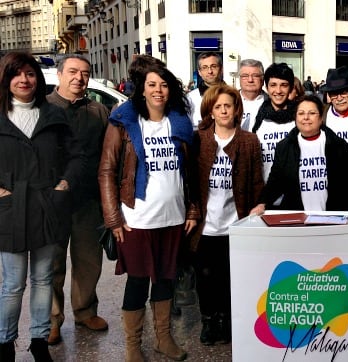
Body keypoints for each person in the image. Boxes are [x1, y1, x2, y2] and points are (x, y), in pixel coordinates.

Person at [98, 55, 199, 361]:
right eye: (151, 84)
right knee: (138, 282)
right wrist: (113, 218)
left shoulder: (179, 122)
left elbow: (190, 171)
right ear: (141, 89)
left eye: (164, 85)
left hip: (173, 217)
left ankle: (163, 339)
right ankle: (132, 346)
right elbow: (107, 170)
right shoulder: (125, 122)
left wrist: (192, 210)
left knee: (166, 279)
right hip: (136, 219)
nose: (158, 90)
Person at [0, 51, 83, 361]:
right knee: (12, 284)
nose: (24, 80)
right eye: (16, 74)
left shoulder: (53, 115)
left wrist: (64, 184)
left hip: (48, 206)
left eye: (30, 73)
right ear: (6, 79)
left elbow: (77, 157)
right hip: (11, 210)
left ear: (38, 78)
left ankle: (38, 340)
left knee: (44, 278)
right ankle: (5, 342)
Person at [190, 84, 264, 345]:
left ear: (236, 110)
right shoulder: (199, 140)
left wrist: (259, 207)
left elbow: (257, 182)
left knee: (230, 277)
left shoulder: (249, 141)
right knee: (206, 277)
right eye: (218, 106)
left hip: (236, 223)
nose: (223, 111)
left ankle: (228, 320)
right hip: (206, 225)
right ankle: (208, 320)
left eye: (228, 106)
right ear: (210, 111)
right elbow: (189, 181)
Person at [46, 54, 110, 346]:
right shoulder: (42, 108)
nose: (79, 78)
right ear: (59, 75)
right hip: (52, 202)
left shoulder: (98, 111)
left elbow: (108, 156)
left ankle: (84, 310)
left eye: (85, 73)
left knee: (88, 261)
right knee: (52, 263)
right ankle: (51, 320)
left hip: (88, 200)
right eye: (72, 71)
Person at [251, 95, 348, 214]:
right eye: (301, 113)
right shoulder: (284, 148)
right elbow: (275, 181)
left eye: (312, 113)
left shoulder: (338, 145)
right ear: (295, 118)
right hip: (298, 220)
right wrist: (262, 203)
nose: (306, 118)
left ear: (320, 118)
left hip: (331, 218)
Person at [251, 63, 297, 183]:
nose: (278, 91)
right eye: (273, 85)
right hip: (265, 194)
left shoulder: (300, 117)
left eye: (284, 85)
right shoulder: (257, 118)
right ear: (266, 87)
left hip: (294, 194)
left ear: (291, 87)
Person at [187, 52, 224, 130]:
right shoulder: (190, 98)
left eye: (213, 66)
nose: (210, 71)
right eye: (205, 67)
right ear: (199, 72)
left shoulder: (233, 95)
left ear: (221, 69)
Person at [238, 59, 268, 131]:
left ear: (262, 79)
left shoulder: (273, 102)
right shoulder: (229, 100)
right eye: (245, 76)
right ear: (239, 79)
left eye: (255, 76)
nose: (250, 80)